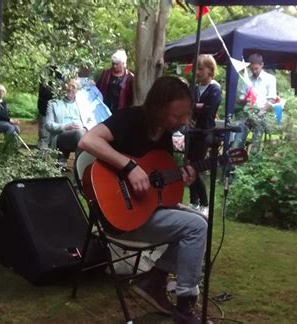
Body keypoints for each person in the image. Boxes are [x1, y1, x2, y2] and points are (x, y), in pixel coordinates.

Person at [79, 76, 208, 323]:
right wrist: (129, 167)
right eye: (176, 116)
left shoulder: (164, 134)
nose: (182, 122)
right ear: (159, 107)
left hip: (145, 212)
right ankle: (184, 306)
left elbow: (158, 187)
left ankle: (154, 281)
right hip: (118, 217)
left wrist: (182, 179)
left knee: (199, 221)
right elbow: (87, 141)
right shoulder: (130, 118)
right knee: (196, 227)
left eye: (185, 115)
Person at [188, 54, 222, 216]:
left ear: (210, 70)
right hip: (192, 132)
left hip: (205, 133)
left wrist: (197, 107)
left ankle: (205, 203)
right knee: (188, 167)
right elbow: (189, 107)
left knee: (195, 168)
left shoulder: (215, 89)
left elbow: (209, 111)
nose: (198, 72)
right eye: (197, 69)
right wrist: (198, 106)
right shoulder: (194, 88)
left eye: (201, 69)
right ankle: (193, 202)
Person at [233, 53, 276, 153]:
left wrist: (261, 112)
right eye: (252, 69)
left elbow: (272, 99)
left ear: (262, 65)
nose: (254, 71)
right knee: (237, 141)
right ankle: (233, 164)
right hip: (247, 113)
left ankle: (253, 164)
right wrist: (244, 100)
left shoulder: (270, 78)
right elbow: (240, 99)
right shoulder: (247, 79)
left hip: (261, 114)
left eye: (256, 68)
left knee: (256, 144)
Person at [45, 79, 87, 163]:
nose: (71, 90)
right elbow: (48, 124)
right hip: (60, 135)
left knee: (86, 134)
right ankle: (79, 166)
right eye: (68, 89)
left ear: (77, 90)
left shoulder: (82, 104)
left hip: (81, 132)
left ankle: (88, 166)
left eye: (73, 88)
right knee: (78, 134)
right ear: (63, 89)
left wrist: (85, 128)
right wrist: (65, 127)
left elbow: (89, 121)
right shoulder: (53, 103)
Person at [96, 49, 134, 114]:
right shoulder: (106, 74)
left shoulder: (129, 77)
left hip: (120, 111)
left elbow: (131, 98)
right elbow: (97, 87)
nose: (114, 66)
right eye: (113, 64)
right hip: (103, 108)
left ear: (123, 63)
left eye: (117, 64)